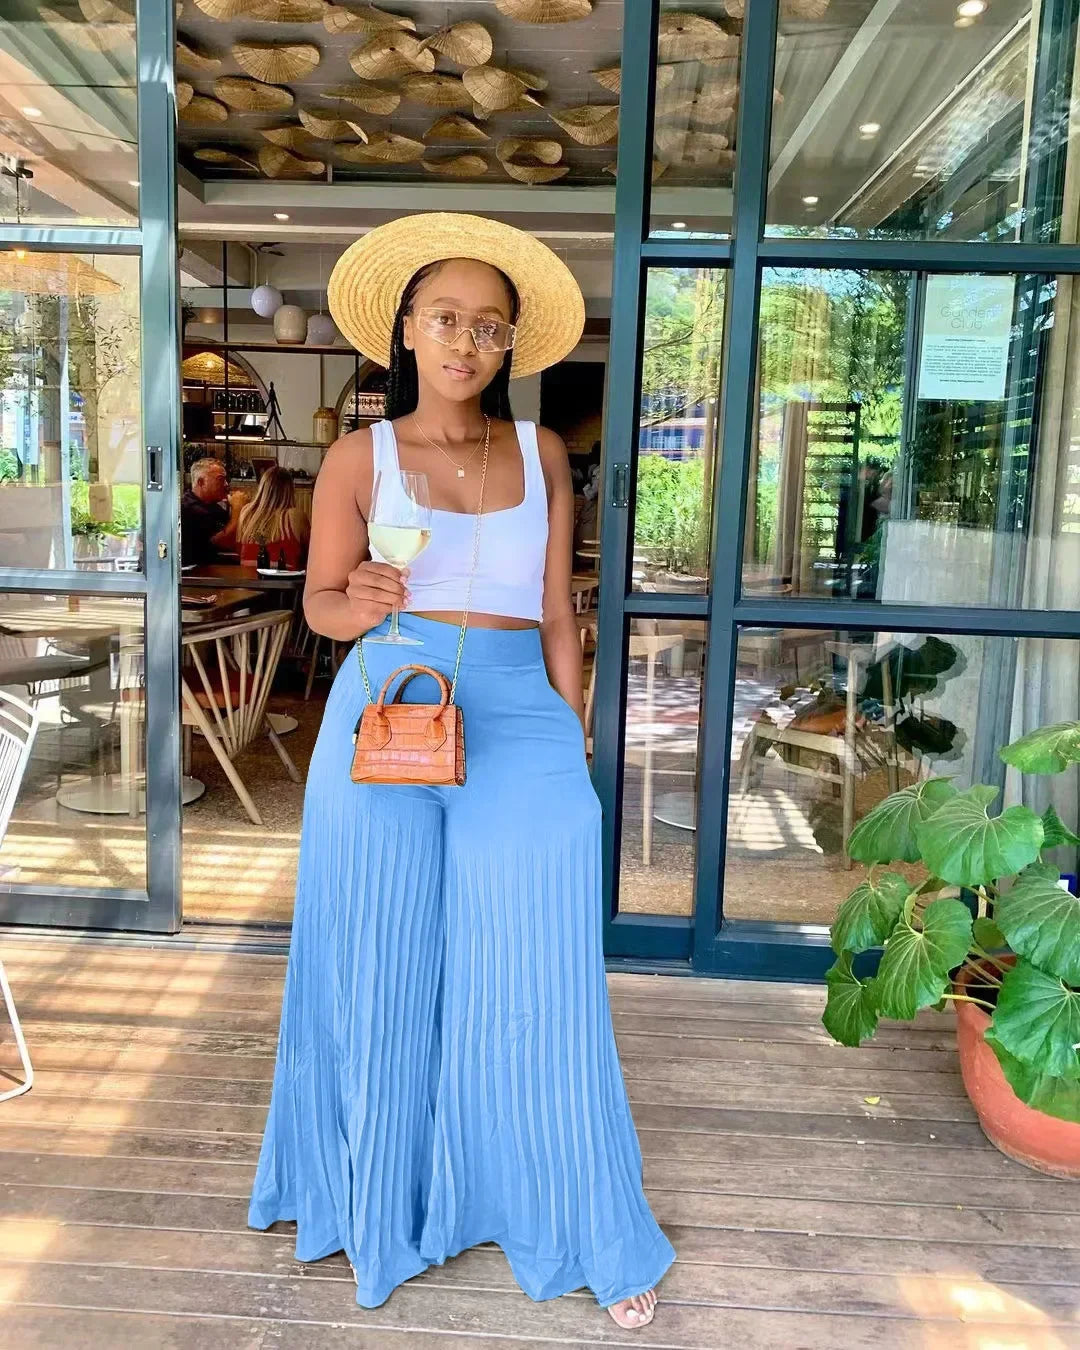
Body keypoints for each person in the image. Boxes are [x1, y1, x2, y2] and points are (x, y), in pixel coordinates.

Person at [247, 213, 674, 1331]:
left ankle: (581, 1214)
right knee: (377, 953)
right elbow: (321, 603)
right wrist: (365, 601)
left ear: (509, 346)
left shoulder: (540, 454)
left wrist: (573, 740)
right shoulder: (357, 457)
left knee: (537, 963)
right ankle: (375, 1194)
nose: (465, 341)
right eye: (446, 317)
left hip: (520, 711)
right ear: (406, 326)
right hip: (388, 698)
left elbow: (558, 614)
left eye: (488, 326)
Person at [236, 465, 309, 569]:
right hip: (284, 583)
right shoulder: (295, 516)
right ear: (290, 490)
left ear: (262, 487)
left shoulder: (246, 512)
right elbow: (311, 555)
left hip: (249, 582)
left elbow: (240, 550)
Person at [180, 457, 242, 566]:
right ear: (201, 482)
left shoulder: (214, 508)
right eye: (220, 479)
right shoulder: (189, 509)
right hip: (198, 574)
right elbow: (225, 542)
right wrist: (238, 509)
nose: (226, 484)